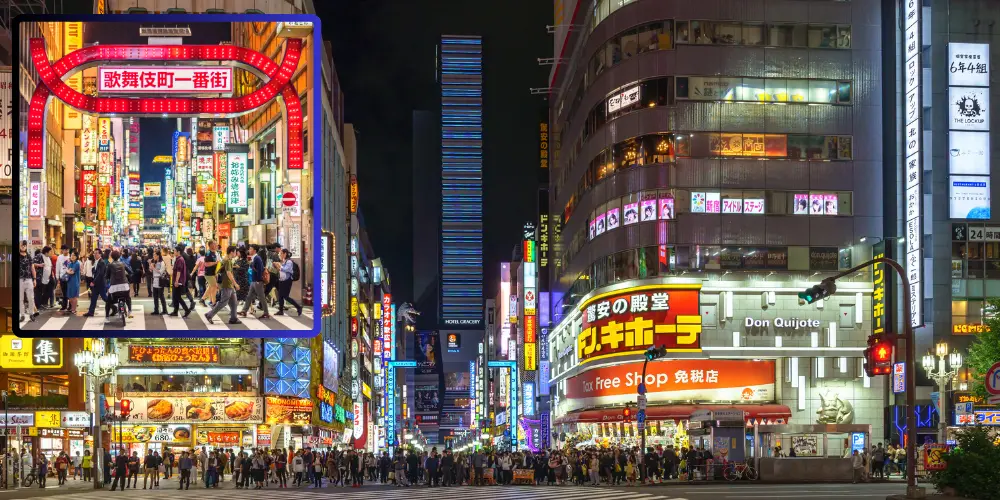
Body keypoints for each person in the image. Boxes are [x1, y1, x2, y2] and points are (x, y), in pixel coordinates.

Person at [204, 245, 241, 325]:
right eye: (235, 252)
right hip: (227, 284)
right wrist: (235, 284)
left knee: (234, 302)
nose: (236, 254)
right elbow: (228, 273)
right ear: (232, 252)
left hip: (228, 284)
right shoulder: (227, 260)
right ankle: (209, 315)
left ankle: (233, 318)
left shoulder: (226, 259)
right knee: (223, 302)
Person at [239, 245, 271, 318]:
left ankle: (266, 313)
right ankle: (244, 311)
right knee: (249, 297)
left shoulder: (257, 258)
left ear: (254, 251)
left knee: (261, 297)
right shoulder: (254, 258)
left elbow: (260, 270)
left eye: (250, 249)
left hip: (257, 281)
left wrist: (258, 280)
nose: (249, 250)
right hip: (254, 281)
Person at [106, 250, 133, 321]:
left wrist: (109, 278)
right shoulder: (123, 263)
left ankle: (107, 317)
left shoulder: (110, 265)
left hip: (114, 287)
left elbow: (106, 276)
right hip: (124, 286)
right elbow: (130, 272)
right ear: (119, 256)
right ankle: (130, 311)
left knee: (108, 301)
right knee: (128, 298)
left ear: (111, 257)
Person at [276, 248, 303, 316]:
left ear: (285, 254)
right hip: (282, 280)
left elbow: (286, 269)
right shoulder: (284, 261)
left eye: (281, 253)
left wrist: (279, 266)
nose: (280, 255)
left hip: (287, 281)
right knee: (280, 296)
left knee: (285, 296)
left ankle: (298, 307)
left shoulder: (289, 262)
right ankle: (281, 311)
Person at [169, 244, 193, 317]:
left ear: (178, 252)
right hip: (177, 280)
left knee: (177, 296)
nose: (174, 252)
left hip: (179, 281)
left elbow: (179, 271)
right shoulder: (179, 258)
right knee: (176, 296)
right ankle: (175, 311)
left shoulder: (180, 259)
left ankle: (186, 310)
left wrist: (176, 281)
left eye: (175, 251)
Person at [18, 241, 39, 322]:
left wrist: (34, 279)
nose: (23, 247)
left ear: (26, 246)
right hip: (20, 280)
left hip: (29, 279)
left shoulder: (29, 256)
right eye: (21, 245)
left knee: (31, 298)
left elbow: (32, 268)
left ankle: (31, 314)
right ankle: (22, 315)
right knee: (20, 299)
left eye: (24, 245)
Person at [56, 245, 70, 310]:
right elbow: (57, 267)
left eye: (67, 250)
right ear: (62, 250)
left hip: (70, 277)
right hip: (62, 277)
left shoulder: (70, 256)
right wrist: (57, 276)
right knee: (64, 292)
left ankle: (70, 305)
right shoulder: (59, 257)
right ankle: (64, 305)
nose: (66, 251)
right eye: (64, 250)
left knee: (69, 291)